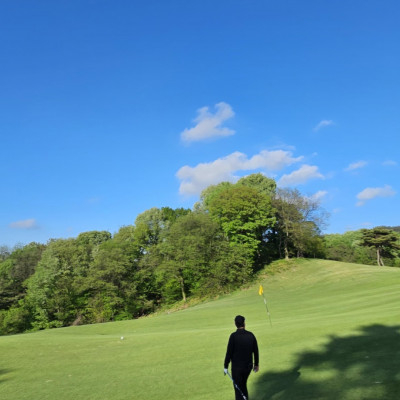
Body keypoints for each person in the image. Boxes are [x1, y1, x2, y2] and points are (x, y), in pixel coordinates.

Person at [224, 315, 259, 400]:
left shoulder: (233, 336)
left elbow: (229, 353)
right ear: (244, 323)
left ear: (235, 324)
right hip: (248, 367)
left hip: (237, 368)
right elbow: (256, 350)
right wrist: (256, 364)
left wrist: (225, 366)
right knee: (243, 386)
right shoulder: (251, 335)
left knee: (238, 389)